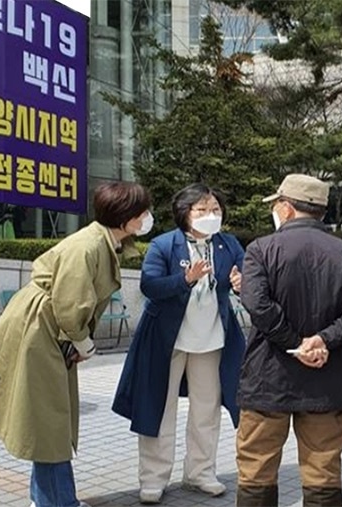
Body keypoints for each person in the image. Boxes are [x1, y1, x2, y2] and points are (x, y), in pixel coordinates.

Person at [0, 181, 152, 507]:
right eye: (143, 211)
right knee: (49, 422)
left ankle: (48, 498)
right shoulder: (88, 246)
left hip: (46, 328)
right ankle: (58, 502)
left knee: (47, 421)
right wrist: (84, 345)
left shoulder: (100, 242)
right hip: (41, 328)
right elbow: (70, 305)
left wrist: (78, 342)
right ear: (125, 218)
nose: (148, 216)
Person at [236, 174, 342, 507]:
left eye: (276, 204)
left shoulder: (261, 250)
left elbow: (257, 304)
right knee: (324, 474)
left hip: (268, 378)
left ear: (286, 208)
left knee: (256, 471)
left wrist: (295, 342)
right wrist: (324, 339)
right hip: (328, 382)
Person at [112, 183, 246, 505]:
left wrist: (243, 283)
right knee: (159, 408)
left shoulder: (228, 245)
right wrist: (185, 279)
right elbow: (150, 285)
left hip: (212, 339)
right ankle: (153, 478)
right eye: (202, 210)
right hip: (166, 340)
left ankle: (201, 472)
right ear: (184, 214)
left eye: (215, 209)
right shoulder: (163, 245)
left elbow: (249, 278)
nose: (211, 215)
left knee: (207, 408)